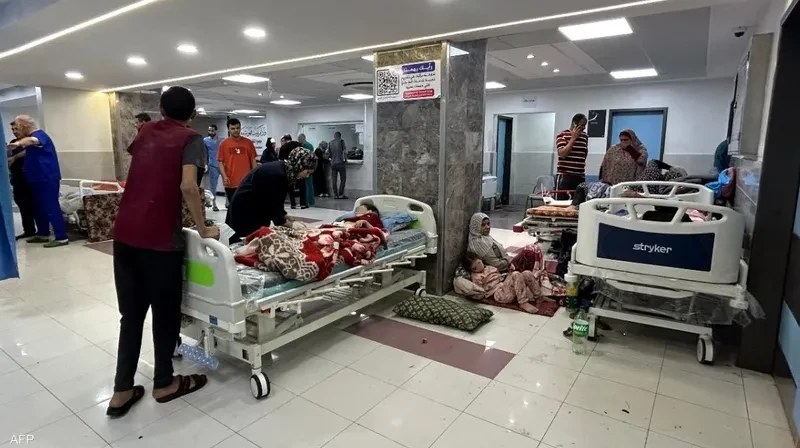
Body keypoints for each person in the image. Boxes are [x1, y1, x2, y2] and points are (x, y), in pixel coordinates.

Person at [107, 86, 219, 417]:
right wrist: (202, 228)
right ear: (193, 114)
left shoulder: (144, 130)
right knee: (164, 313)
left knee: (131, 316)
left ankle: (121, 391)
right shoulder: (190, 139)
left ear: (161, 109)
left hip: (125, 234)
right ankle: (164, 383)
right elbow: (188, 185)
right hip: (159, 238)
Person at [226, 147, 317, 242]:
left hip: (254, 210)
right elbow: (270, 205)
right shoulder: (277, 174)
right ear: (299, 165)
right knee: (244, 245)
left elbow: (277, 202)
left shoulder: (284, 171)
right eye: (307, 172)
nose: (307, 176)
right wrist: (288, 224)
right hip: (245, 214)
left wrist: (285, 216)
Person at [7, 115, 68, 247]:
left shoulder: (39, 135)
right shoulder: (32, 141)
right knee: (38, 207)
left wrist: (18, 144)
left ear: (23, 126)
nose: (16, 131)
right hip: (36, 178)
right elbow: (28, 151)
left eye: (17, 127)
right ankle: (43, 234)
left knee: (51, 206)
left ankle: (61, 237)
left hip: (47, 177)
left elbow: (32, 141)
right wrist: (15, 157)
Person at [6, 121, 36, 239]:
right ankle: (29, 230)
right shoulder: (13, 143)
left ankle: (43, 230)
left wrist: (15, 157)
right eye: (12, 130)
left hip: (30, 179)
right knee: (23, 206)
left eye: (16, 129)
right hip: (17, 179)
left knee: (35, 205)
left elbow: (30, 151)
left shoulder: (31, 140)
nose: (14, 132)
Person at [218, 118, 257, 208]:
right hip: (231, 182)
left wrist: (254, 176)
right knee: (233, 207)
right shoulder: (223, 144)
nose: (236, 130)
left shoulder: (248, 143)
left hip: (246, 181)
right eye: (233, 128)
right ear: (228, 129)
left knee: (246, 207)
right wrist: (224, 176)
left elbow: (253, 160)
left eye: (237, 128)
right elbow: (220, 162)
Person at [555, 113, 589, 199]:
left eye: (585, 125)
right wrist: (573, 138)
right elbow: (562, 154)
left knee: (579, 202)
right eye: (581, 125)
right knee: (562, 202)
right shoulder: (562, 135)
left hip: (580, 176)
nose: (584, 127)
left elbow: (584, 153)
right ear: (574, 124)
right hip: (565, 176)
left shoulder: (585, 136)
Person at [203, 124, 222, 211]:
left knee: (227, 183)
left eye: (212, 130)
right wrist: (205, 164)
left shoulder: (222, 140)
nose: (210, 132)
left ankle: (228, 202)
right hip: (212, 165)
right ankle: (214, 204)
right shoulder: (205, 140)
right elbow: (204, 153)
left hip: (223, 164)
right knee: (213, 186)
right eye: (209, 130)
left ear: (216, 131)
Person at [329, 131, 348, 199]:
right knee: (343, 179)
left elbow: (329, 154)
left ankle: (335, 195)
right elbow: (345, 152)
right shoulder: (341, 141)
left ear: (334, 136)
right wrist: (346, 160)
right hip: (340, 163)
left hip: (333, 164)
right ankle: (340, 194)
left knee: (334, 179)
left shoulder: (330, 143)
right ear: (340, 136)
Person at [297, 133, 315, 207]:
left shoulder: (304, 146)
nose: (298, 140)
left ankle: (307, 201)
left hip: (305, 168)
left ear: (302, 138)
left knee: (306, 185)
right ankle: (310, 201)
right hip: (309, 167)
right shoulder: (310, 145)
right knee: (309, 184)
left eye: (299, 139)